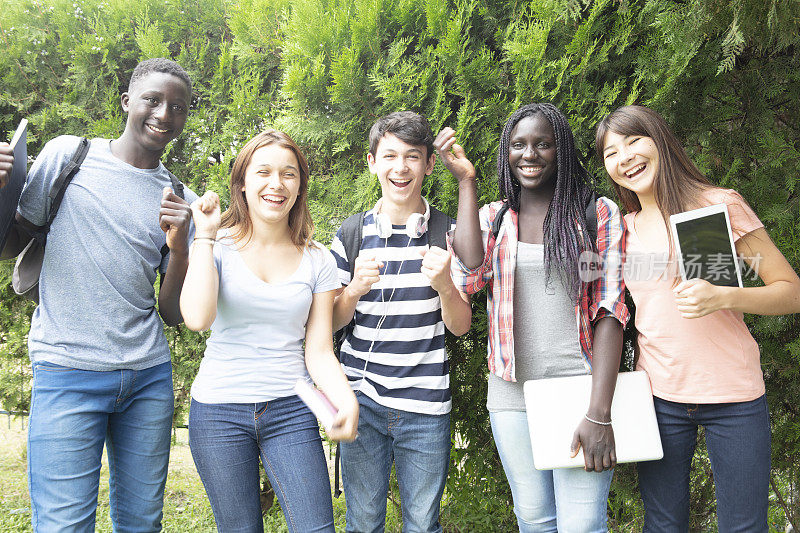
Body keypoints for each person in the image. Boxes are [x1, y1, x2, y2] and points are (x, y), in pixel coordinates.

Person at [0, 58, 197, 531]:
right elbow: (8, 247)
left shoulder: (178, 195)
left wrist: (180, 247)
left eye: (177, 107)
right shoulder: (70, 155)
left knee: (142, 522)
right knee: (64, 524)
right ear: (128, 101)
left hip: (147, 379)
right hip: (68, 371)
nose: (164, 114)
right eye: (152, 100)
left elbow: (171, 312)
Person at [596, 104, 800, 532]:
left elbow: (790, 291)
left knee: (743, 527)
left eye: (634, 141)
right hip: (660, 398)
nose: (625, 157)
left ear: (660, 141)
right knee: (664, 525)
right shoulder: (622, 228)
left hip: (734, 396)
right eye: (611, 153)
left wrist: (724, 295)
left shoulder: (710, 207)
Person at [436, 102, 629, 532]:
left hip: (580, 392)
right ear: (506, 152)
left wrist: (599, 412)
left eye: (543, 144)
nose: (530, 154)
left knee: (581, 525)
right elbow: (468, 275)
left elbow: (608, 311)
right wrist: (467, 182)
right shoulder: (495, 217)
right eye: (519, 145)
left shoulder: (594, 215)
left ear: (561, 151)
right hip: (511, 396)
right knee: (535, 520)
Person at [181, 129, 359, 532]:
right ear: (242, 183)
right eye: (263, 172)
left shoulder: (318, 260)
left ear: (300, 187)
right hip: (218, 411)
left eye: (288, 174)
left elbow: (318, 350)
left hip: (291, 409)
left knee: (315, 527)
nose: (276, 184)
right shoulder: (217, 245)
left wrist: (345, 400)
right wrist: (204, 236)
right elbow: (196, 318)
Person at [330, 111, 472, 532]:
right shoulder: (351, 234)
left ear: (429, 165)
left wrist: (445, 285)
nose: (400, 167)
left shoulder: (446, 232)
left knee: (423, 523)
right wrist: (353, 289)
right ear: (372, 162)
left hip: (425, 407)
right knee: (364, 521)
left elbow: (461, 326)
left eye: (412, 156)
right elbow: (332, 323)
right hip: (363, 401)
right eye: (389, 155)